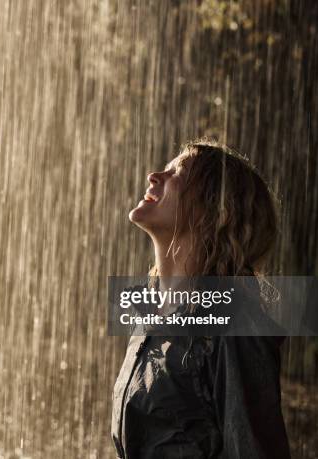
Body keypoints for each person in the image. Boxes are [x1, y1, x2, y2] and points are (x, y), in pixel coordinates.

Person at [111, 139, 291, 458]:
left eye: (177, 172)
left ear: (215, 210)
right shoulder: (152, 318)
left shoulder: (233, 327)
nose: (154, 176)